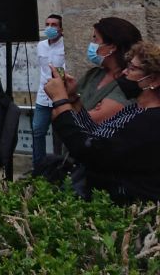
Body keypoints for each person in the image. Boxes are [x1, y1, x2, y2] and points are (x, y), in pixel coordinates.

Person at [44, 41, 160, 203]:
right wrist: (73, 100)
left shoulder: (151, 122)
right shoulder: (135, 109)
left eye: (133, 69)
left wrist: (60, 101)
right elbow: (96, 137)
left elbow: (92, 154)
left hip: (125, 206)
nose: (125, 72)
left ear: (153, 80)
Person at [68, 17, 141, 124]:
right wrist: (70, 96)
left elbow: (92, 120)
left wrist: (58, 95)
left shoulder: (128, 81)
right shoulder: (93, 74)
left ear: (112, 46)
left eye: (95, 39)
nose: (92, 44)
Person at [32, 14, 65, 169]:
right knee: (38, 131)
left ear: (61, 29)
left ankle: (61, 168)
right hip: (43, 97)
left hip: (60, 97)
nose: (50, 28)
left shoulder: (66, 45)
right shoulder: (41, 45)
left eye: (54, 25)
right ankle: (38, 168)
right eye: (47, 24)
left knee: (61, 135)